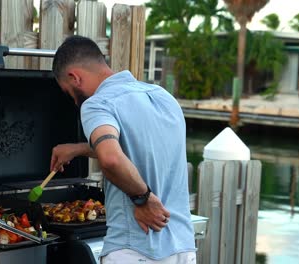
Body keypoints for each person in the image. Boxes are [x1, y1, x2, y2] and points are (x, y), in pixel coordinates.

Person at [50, 36, 196, 263]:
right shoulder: (162, 97)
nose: (75, 102)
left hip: (135, 250)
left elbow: (111, 159)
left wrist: (143, 199)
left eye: (69, 93)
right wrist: (79, 149)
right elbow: (137, 148)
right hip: (182, 248)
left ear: (74, 77)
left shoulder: (98, 104)